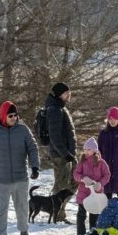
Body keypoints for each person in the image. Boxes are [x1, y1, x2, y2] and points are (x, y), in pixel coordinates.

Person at [0, 101, 40, 235]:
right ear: (3, 116)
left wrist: (35, 167)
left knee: (22, 208)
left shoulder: (23, 130)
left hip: (20, 178)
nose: (14, 118)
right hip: (1, 180)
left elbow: (33, 148)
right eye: (10, 115)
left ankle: (24, 234)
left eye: (15, 115)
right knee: (1, 211)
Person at [44, 82, 76, 223]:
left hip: (68, 154)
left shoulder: (60, 108)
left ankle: (59, 211)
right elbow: (55, 137)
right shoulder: (55, 110)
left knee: (75, 182)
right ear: (58, 94)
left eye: (69, 92)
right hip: (60, 156)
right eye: (66, 93)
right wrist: (65, 153)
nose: (69, 95)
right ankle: (57, 214)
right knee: (62, 185)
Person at [73, 137, 111, 235]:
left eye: (88, 149)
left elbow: (107, 175)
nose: (86, 152)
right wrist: (82, 178)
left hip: (96, 193)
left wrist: (100, 184)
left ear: (94, 150)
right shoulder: (82, 161)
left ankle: (93, 232)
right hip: (83, 193)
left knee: (94, 213)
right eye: (84, 149)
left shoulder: (101, 163)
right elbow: (75, 174)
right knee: (81, 214)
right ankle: (80, 233)